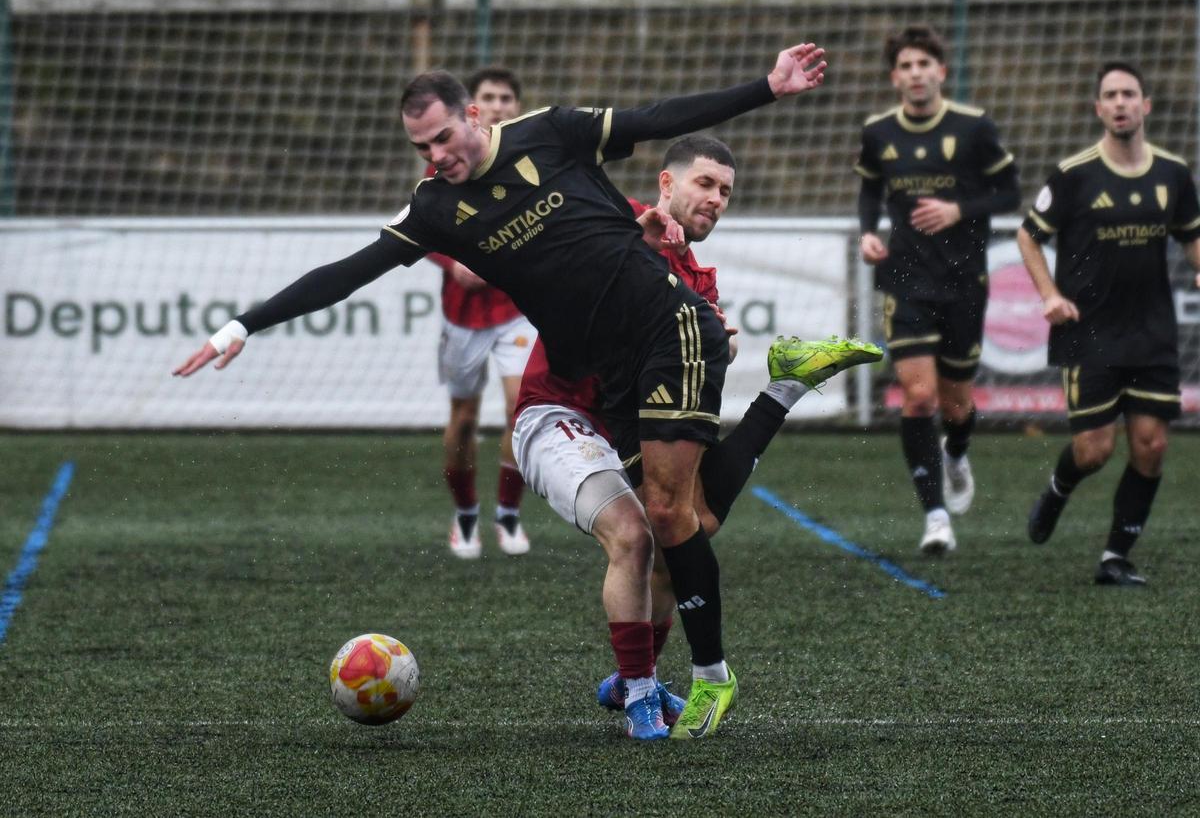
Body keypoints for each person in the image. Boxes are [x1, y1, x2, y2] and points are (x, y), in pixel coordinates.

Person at [173, 42, 830, 739]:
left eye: (444, 137)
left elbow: (658, 116)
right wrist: (242, 326)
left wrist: (767, 86)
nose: (437, 155)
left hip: (665, 328)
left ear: (476, 114)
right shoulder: (435, 206)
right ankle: (664, 672)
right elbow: (351, 270)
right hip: (604, 381)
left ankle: (689, 679)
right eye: (422, 146)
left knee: (672, 523)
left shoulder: (549, 133)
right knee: (675, 525)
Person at [509, 135, 881, 738]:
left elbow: (699, 354)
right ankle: (640, 698)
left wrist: (719, 340)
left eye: (726, 191)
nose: (715, 199)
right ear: (666, 185)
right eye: (704, 184)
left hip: (625, 419)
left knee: (688, 525)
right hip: (558, 415)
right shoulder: (623, 221)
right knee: (636, 534)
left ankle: (783, 390)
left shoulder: (700, 281)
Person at [1018, 61, 1200, 587]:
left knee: (1151, 445)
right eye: (1110, 95)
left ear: (1145, 106)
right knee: (1094, 451)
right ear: (1099, 109)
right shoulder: (1074, 174)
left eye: (1129, 94)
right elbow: (1029, 236)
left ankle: (1115, 557)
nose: (1120, 103)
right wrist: (1049, 295)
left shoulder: (1173, 173)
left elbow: (1192, 237)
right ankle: (1059, 485)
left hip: (1152, 333)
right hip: (1090, 333)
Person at [854, 24, 1020, 555]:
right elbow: (869, 190)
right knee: (918, 396)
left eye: (924, 64)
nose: (915, 74)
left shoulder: (973, 128)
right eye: (905, 66)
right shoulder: (879, 132)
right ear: (895, 78)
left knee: (956, 404)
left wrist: (959, 209)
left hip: (963, 280)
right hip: (904, 276)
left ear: (940, 72)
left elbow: (1010, 191)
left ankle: (956, 453)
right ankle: (935, 517)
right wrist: (867, 234)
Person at [424, 67, 535, 560]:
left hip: (515, 310)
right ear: (473, 106)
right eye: (488, 96)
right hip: (463, 317)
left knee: (520, 410)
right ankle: (465, 514)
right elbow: (422, 229)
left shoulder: (527, 160)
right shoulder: (444, 164)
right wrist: (453, 262)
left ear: (515, 107)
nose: (498, 105)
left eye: (506, 98)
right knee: (464, 418)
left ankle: (507, 514)